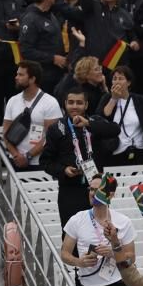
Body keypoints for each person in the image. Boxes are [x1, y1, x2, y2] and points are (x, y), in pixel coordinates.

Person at [42, 88, 118, 223]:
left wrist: (88, 124)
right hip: (70, 189)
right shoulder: (56, 128)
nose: (75, 106)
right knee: (71, 232)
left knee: (101, 229)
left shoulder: (94, 121)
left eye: (79, 103)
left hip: (98, 188)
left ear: (86, 105)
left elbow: (115, 130)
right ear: (65, 104)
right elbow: (46, 161)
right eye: (71, 102)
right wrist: (63, 170)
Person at [60, 174, 137, 286]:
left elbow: (131, 258)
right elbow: (64, 254)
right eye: (91, 189)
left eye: (98, 191)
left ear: (110, 195)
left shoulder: (124, 221)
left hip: (117, 284)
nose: (92, 194)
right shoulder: (77, 219)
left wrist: (112, 253)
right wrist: (79, 262)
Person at [1, 60, 61, 171]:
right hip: (15, 161)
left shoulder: (50, 102)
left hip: (40, 162)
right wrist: (16, 155)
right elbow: (5, 132)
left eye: (21, 75)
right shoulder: (12, 101)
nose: (16, 77)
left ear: (32, 79)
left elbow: (50, 136)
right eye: (17, 74)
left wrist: (28, 156)